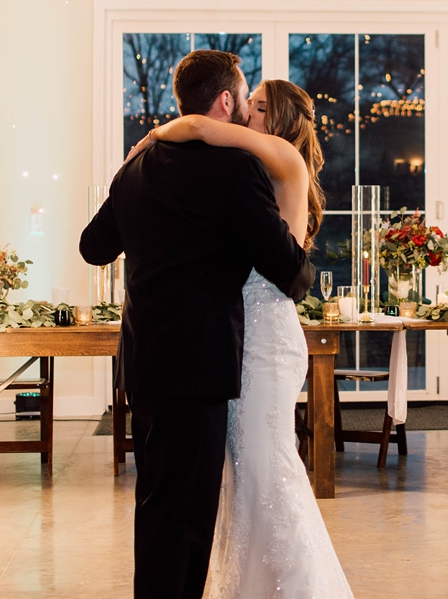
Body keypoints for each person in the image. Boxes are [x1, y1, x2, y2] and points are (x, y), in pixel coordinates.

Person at [79, 51, 315, 599]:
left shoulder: (138, 165)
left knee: (156, 505)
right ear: (226, 101)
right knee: (186, 524)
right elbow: (288, 270)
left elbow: (94, 248)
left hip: (144, 364)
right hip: (200, 366)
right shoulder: (234, 169)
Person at [128, 77, 355, 598]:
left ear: (277, 120)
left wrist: (158, 135)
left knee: (266, 469)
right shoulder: (261, 166)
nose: (246, 118)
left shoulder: (279, 155)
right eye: (247, 106)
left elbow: (201, 126)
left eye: (256, 108)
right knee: (245, 476)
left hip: (267, 335)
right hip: (239, 336)